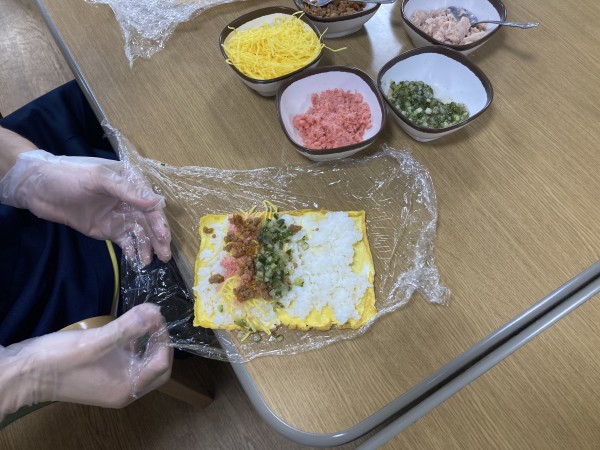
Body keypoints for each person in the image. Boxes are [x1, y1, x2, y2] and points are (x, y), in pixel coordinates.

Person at [0, 81, 174, 421]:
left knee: (131, 92)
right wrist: (24, 376)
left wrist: (28, 174)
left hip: (24, 164)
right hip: (37, 287)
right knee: (195, 270)